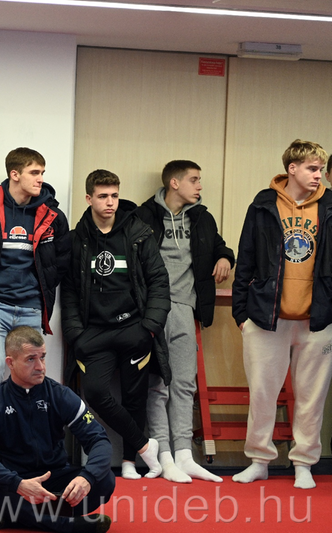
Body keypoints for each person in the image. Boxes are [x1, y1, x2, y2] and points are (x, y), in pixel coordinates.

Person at [232, 139, 331, 490]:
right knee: (262, 393)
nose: (319, 175)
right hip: (266, 316)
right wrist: (240, 313)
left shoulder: (330, 206)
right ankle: (259, 460)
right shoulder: (263, 204)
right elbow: (245, 257)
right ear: (292, 168)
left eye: (321, 169)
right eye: (312, 168)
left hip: (317, 318)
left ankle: (303, 464)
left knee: (311, 397)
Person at [61, 169, 170, 481]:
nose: (110, 202)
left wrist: (149, 327)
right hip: (94, 333)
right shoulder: (77, 238)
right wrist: (76, 335)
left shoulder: (138, 233)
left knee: (135, 398)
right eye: (103, 196)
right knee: (95, 393)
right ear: (89, 198)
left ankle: (129, 462)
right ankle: (145, 445)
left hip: (134, 329)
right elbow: (69, 290)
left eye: (114, 196)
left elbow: (158, 282)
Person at [137, 160, 234, 483]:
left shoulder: (202, 217)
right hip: (152, 308)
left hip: (184, 307)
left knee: (184, 383)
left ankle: (184, 454)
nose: (200, 186)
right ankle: (164, 455)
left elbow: (219, 246)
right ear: (174, 183)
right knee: (157, 384)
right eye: (194, 179)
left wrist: (225, 257)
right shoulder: (144, 215)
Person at [0, 326, 114, 533]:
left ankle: (18, 517)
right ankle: (66, 524)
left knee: (105, 479)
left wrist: (86, 478)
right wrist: (17, 483)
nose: (40, 367)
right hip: (17, 482)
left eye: (42, 357)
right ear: (10, 362)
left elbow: (99, 440)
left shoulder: (60, 395)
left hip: (55, 478)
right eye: (31, 359)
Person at [0, 148, 69, 403]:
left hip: (31, 308)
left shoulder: (53, 216)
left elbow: (61, 261)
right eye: (34, 173)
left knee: (31, 375)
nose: (40, 179)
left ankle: (21, 428)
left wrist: (39, 290)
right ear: (14, 174)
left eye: (42, 173)